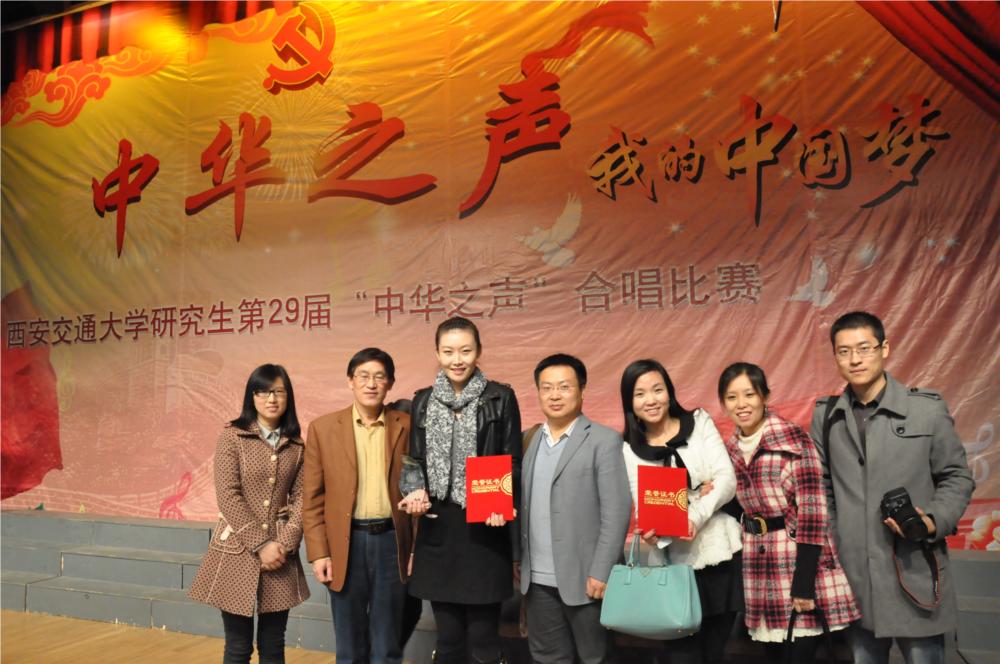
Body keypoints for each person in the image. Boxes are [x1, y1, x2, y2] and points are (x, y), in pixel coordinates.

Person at [811, 312, 974, 664]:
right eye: (844, 351)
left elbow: (957, 476)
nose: (855, 359)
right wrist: (837, 537)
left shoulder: (925, 410)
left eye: (864, 348)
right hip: (855, 576)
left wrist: (932, 520)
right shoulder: (826, 416)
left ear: (884, 348)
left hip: (914, 565)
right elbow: (821, 486)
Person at [397, 316, 522, 664]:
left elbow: (512, 460)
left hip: (485, 527)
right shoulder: (423, 401)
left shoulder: (500, 397)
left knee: (484, 640)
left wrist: (500, 501)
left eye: (465, 351)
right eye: (449, 351)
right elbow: (414, 460)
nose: (457, 360)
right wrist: (415, 491)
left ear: (478, 351)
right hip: (438, 529)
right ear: (437, 353)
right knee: (449, 639)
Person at [718, 362, 859, 663]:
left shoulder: (794, 441)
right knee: (773, 655)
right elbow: (737, 504)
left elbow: (813, 514)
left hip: (796, 562)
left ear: (765, 396)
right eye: (732, 397)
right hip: (758, 565)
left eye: (749, 394)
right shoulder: (728, 450)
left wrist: (804, 583)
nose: (741, 404)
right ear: (723, 403)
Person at [619, 359, 743, 664]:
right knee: (681, 657)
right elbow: (645, 505)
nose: (651, 400)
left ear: (669, 392)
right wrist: (655, 532)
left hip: (719, 556)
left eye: (657, 389)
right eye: (640, 394)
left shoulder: (699, 422)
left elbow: (726, 480)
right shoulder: (630, 449)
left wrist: (694, 516)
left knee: (714, 654)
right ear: (629, 402)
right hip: (673, 566)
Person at [189, 364, 310, 664]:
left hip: (281, 554)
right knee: (238, 647)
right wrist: (261, 544)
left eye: (279, 391)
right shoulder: (233, 436)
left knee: (273, 645)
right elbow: (228, 496)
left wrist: (284, 544)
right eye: (263, 391)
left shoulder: (296, 446)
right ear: (251, 397)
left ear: (288, 397)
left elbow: (303, 498)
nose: (272, 398)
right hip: (237, 550)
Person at [302, 348, 413, 664]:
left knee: (387, 643)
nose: (371, 384)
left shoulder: (407, 426)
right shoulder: (323, 428)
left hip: (392, 542)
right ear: (350, 381)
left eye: (379, 377)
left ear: (390, 383)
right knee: (349, 646)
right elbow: (312, 498)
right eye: (363, 376)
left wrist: (415, 549)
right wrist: (319, 552)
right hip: (345, 544)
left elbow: (419, 487)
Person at [519, 353, 632, 664]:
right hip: (537, 581)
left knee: (596, 658)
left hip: (587, 579)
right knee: (547, 658)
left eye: (564, 387)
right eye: (547, 388)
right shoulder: (528, 440)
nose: (555, 395)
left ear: (582, 390)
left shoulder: (604, 440)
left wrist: (601, 571)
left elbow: (617, 512)